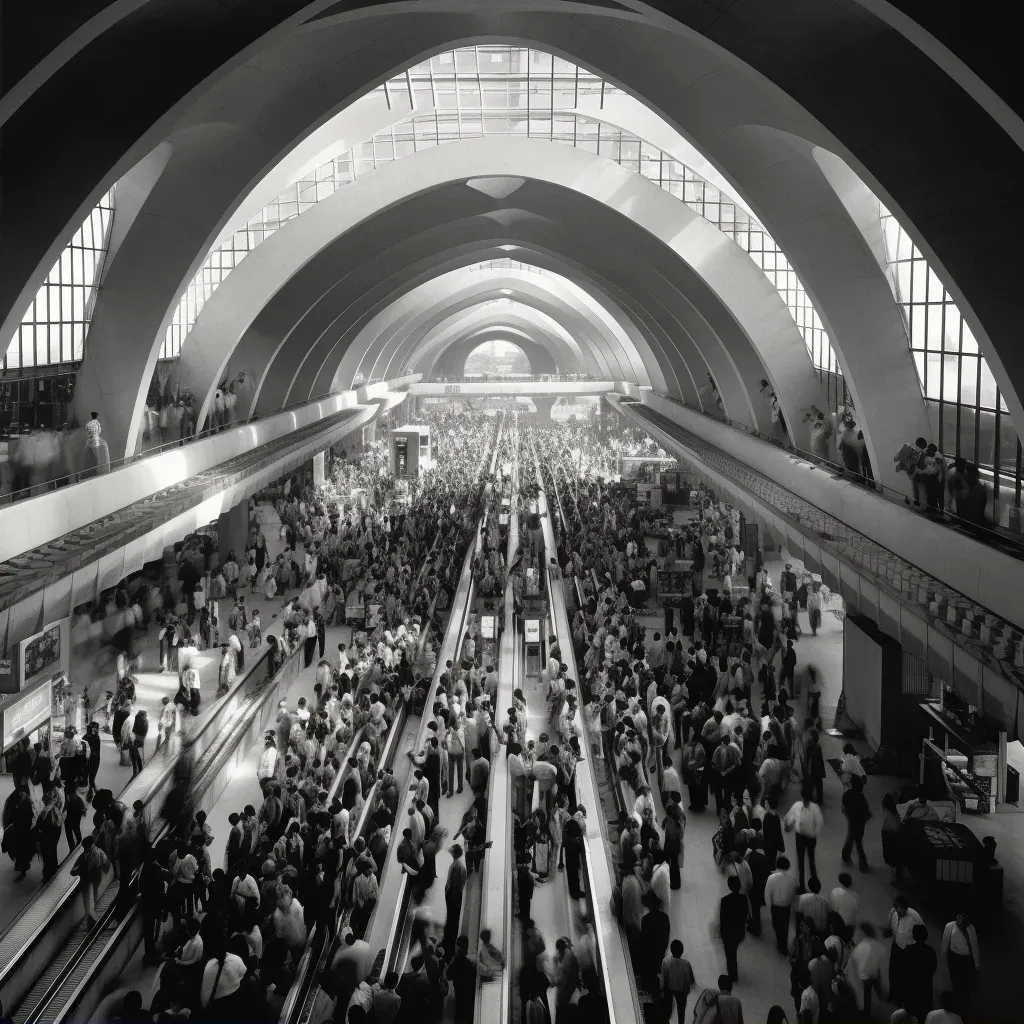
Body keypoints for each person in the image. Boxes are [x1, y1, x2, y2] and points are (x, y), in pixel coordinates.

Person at [884, 894, 924, 1008]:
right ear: (896, 907)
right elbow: (889, 926)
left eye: (904, 908)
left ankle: (900, 998)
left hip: (909, 949)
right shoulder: (893, 913)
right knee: (893, 972)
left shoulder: (914, 917)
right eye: (900, 908)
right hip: (896, 946)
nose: (902, 911)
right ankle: (892, 994)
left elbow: (922, 933)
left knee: (904, 974)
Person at [783, 787, 823, 889]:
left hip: (810, 838)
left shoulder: (815, 808)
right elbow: (790, 817)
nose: (805, 802)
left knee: (811, 860)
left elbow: (819, 824)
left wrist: (813, 833)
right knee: (801, 861)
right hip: (800, 837)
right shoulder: (797, 806)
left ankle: (814, 884)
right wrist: (789, 824)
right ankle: (801, 886)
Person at [940, 911, 979, 1011]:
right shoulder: (950, 927)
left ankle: (965, 1002)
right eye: (960, 917)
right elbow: (945, 945)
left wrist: (976, 964)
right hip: (955, 958)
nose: (961, 920)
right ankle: (958, 1000)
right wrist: (944, 961)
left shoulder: (971, 929)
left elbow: (974, 947)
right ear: (957, 917)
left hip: (967, 959)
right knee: (956, 981)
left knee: (966, 981)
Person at [903, 924, 938, 1023]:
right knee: (923, 1015)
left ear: (914, 936)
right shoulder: (930, 950)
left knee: (911, 1015)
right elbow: (933, 967)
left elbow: (904, 968)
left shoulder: (908, 949)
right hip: (925, 986)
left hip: (911, 986)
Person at [765, 855, 797, 955]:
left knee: (777, 926)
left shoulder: (771, 878)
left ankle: (780, 944)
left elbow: (767, 893)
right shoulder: (792, 879)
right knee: (785, 927)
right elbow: (793, 894)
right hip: (786, 907)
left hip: (775, 907)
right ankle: (783, 945)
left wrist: (769, 907)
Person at [719, 874, 749, 984]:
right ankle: (733, 973)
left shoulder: (725, 900)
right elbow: (745, 915)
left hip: (728, 932)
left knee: (730, 954)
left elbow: (722, 918)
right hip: (739, 932)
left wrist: (721, 932)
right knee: (733, 951)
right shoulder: (744, 899)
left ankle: (732, 975)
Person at [661, 939, 695, 1024]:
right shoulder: (686, 963)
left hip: (669, 989)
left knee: (667, 1012)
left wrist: (662, 990)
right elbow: (691, 980)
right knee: (681, 1014)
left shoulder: (666, 961)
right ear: (682, 951)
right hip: (682, 991)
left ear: (671, 950)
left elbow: (664, 979)